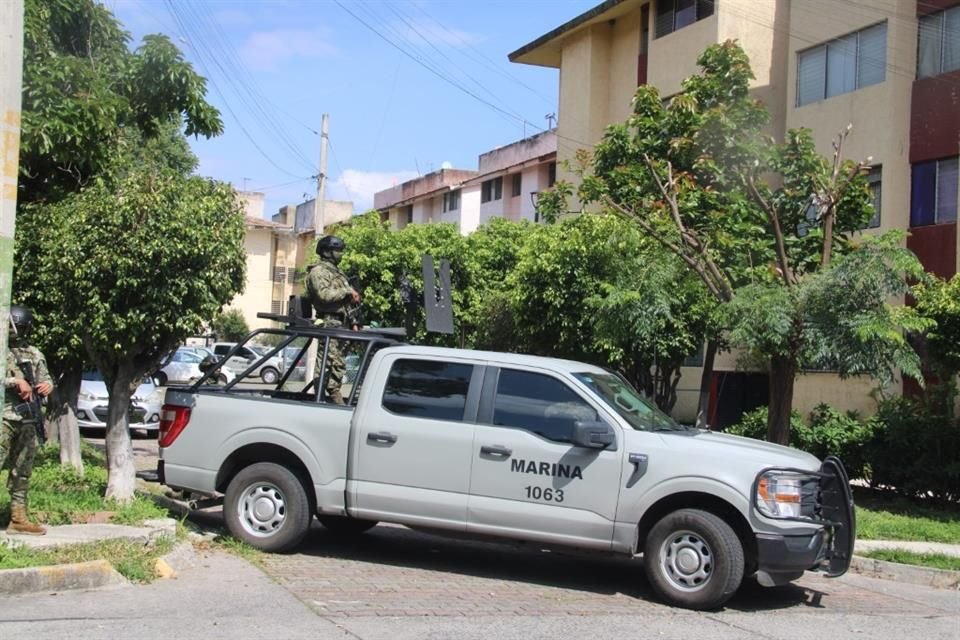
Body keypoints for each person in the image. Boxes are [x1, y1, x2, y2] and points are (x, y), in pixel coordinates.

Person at [2, 304, 53, 535]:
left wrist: (47, 386)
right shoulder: (2, 350)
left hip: (28, 418)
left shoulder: (34, 353)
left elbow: (47, 379)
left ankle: (18, 517)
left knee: (23, 469)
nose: (18, 332)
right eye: (16, 327)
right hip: (4, 417)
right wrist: (15, 382)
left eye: (22, 327)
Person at [306, 235, 360, 404]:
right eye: (337, 250)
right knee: (326, 364)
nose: (341, 254)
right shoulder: (318, 272)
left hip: (342, 324)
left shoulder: (337, 273)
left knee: (338, 365)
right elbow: (323, 295)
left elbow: (347, 304)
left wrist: (354, 323)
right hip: (329, 323)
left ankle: (335, 397)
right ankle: (320, 399)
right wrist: (347, 292)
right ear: (327, 252)